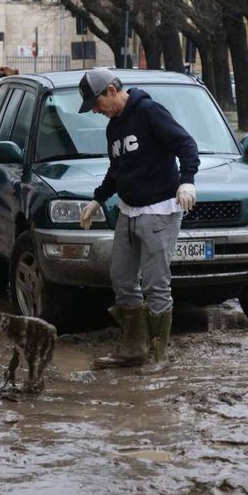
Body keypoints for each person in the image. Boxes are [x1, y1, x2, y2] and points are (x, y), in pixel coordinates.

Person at [76, 68, 199, 372]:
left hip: (160, 212)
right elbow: (116, 169)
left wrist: (187, 180)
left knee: (156, 285)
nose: (95, 109)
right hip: (128, 213)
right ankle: (133, 349)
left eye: (96, 102)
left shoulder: (148, 112)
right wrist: (97, 199)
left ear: (111, 91)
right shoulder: (113, 128)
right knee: (122, 279)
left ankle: (158, 355)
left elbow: (186, 144)